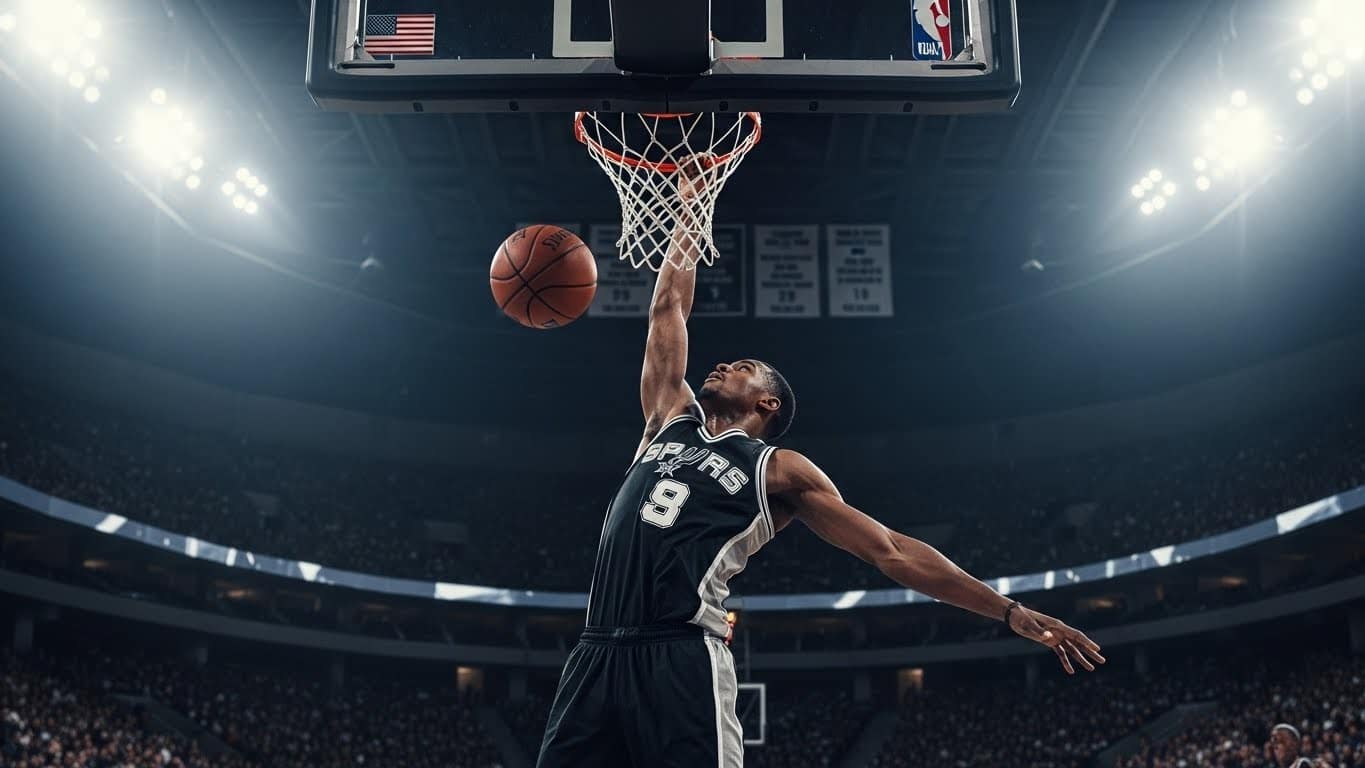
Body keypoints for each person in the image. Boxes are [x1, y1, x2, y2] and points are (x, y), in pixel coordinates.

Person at [536, 159, 1105, 768]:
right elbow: (667, 308)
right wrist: (689, 206)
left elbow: (891, 550)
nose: (724, 364)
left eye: (744, 365)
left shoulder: (779, 470)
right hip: (595, 653)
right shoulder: (667, 419)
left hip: (680, 656)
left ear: (767, 401)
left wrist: (1009, 610)